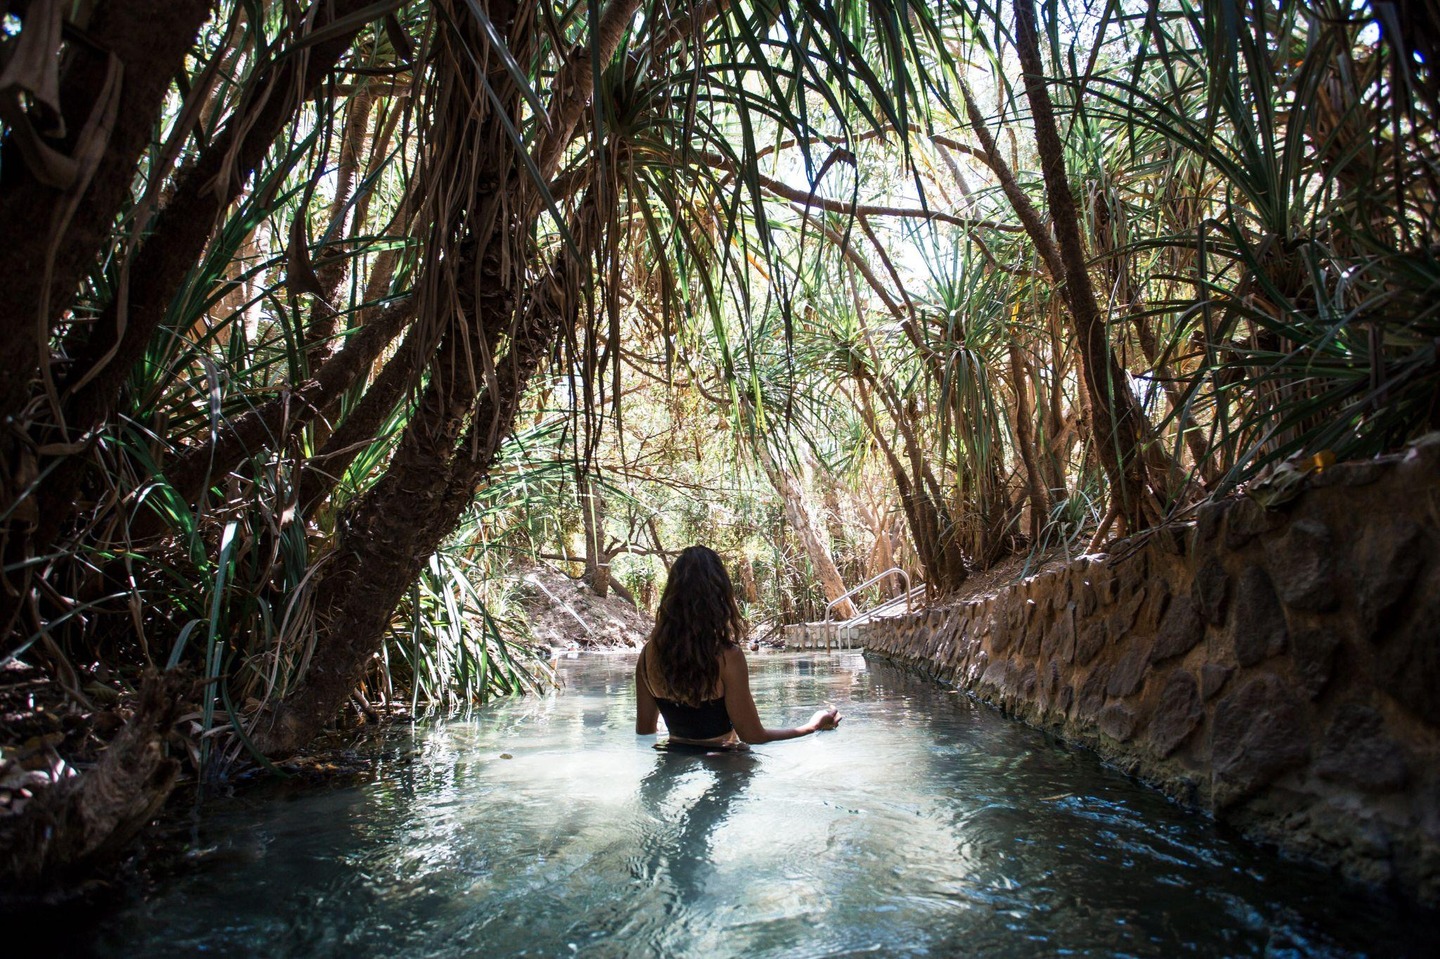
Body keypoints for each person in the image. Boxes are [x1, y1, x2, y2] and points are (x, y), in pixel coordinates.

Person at [635, 545, 842, 749]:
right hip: (726, 757)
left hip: (672, 754)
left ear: (672, 595)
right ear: (719, 596)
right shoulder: (727, 657)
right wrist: (812, 726)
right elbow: (753, 736)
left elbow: (644, 732)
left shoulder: (648, 654)